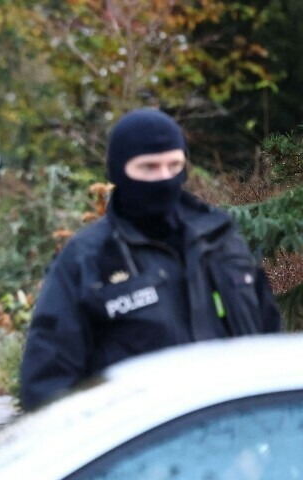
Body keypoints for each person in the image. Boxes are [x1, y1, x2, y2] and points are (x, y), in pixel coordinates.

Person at [19, 108, 282, 411]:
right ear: (119, 172)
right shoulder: (88, 258)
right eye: (149, 168)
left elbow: (268, 348)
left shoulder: (221, 241)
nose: (164, 178)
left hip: (233, 440)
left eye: (174, 165)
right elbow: (47, 383)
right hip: (140, 445)